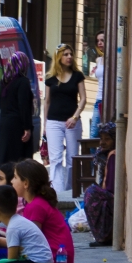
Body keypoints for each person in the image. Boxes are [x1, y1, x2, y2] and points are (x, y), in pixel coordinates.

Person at [0, 159, 76, 263]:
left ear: (26, 183)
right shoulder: (35, 203)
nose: (11, 181)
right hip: (58, 261)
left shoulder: (36, 206)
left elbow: (28, 243)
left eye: (15, 177)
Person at [44, 43, 87, 193]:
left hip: (72, 122)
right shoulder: (50, 78)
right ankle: (57, 192)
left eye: (71, 54)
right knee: (55, 158)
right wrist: (45, 125)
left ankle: (70, 191)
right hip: (53, 121)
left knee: (72, 158)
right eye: (65, 54)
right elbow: (47, 101)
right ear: (58, 57)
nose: (69, 57)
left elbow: (83, 99)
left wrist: (75, 117)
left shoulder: (77, 76)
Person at [0, 51, 34, 163]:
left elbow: (0, 104)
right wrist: (27, 127)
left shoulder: (4, 82)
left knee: (6, 159)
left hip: (4, 124)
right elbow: (24, 106)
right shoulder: (23, 82)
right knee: (20, 161)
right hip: (17, 125)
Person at [83, 121, 116, 247]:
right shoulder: (106, 156)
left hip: (114, 197)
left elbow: (111, 188)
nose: (102, 143)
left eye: (107, 139)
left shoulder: (114, 156)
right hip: (111, 195)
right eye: (101, 139)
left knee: (91, 193)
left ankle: (104, 236)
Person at [90, 31, 106, 138]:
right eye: (98, 41)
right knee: (94, 133)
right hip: (99, 99)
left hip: (110, 100)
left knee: (108, 132)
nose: (99, 43)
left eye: (102, 40)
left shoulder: (115, 58)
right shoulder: (98, 60)